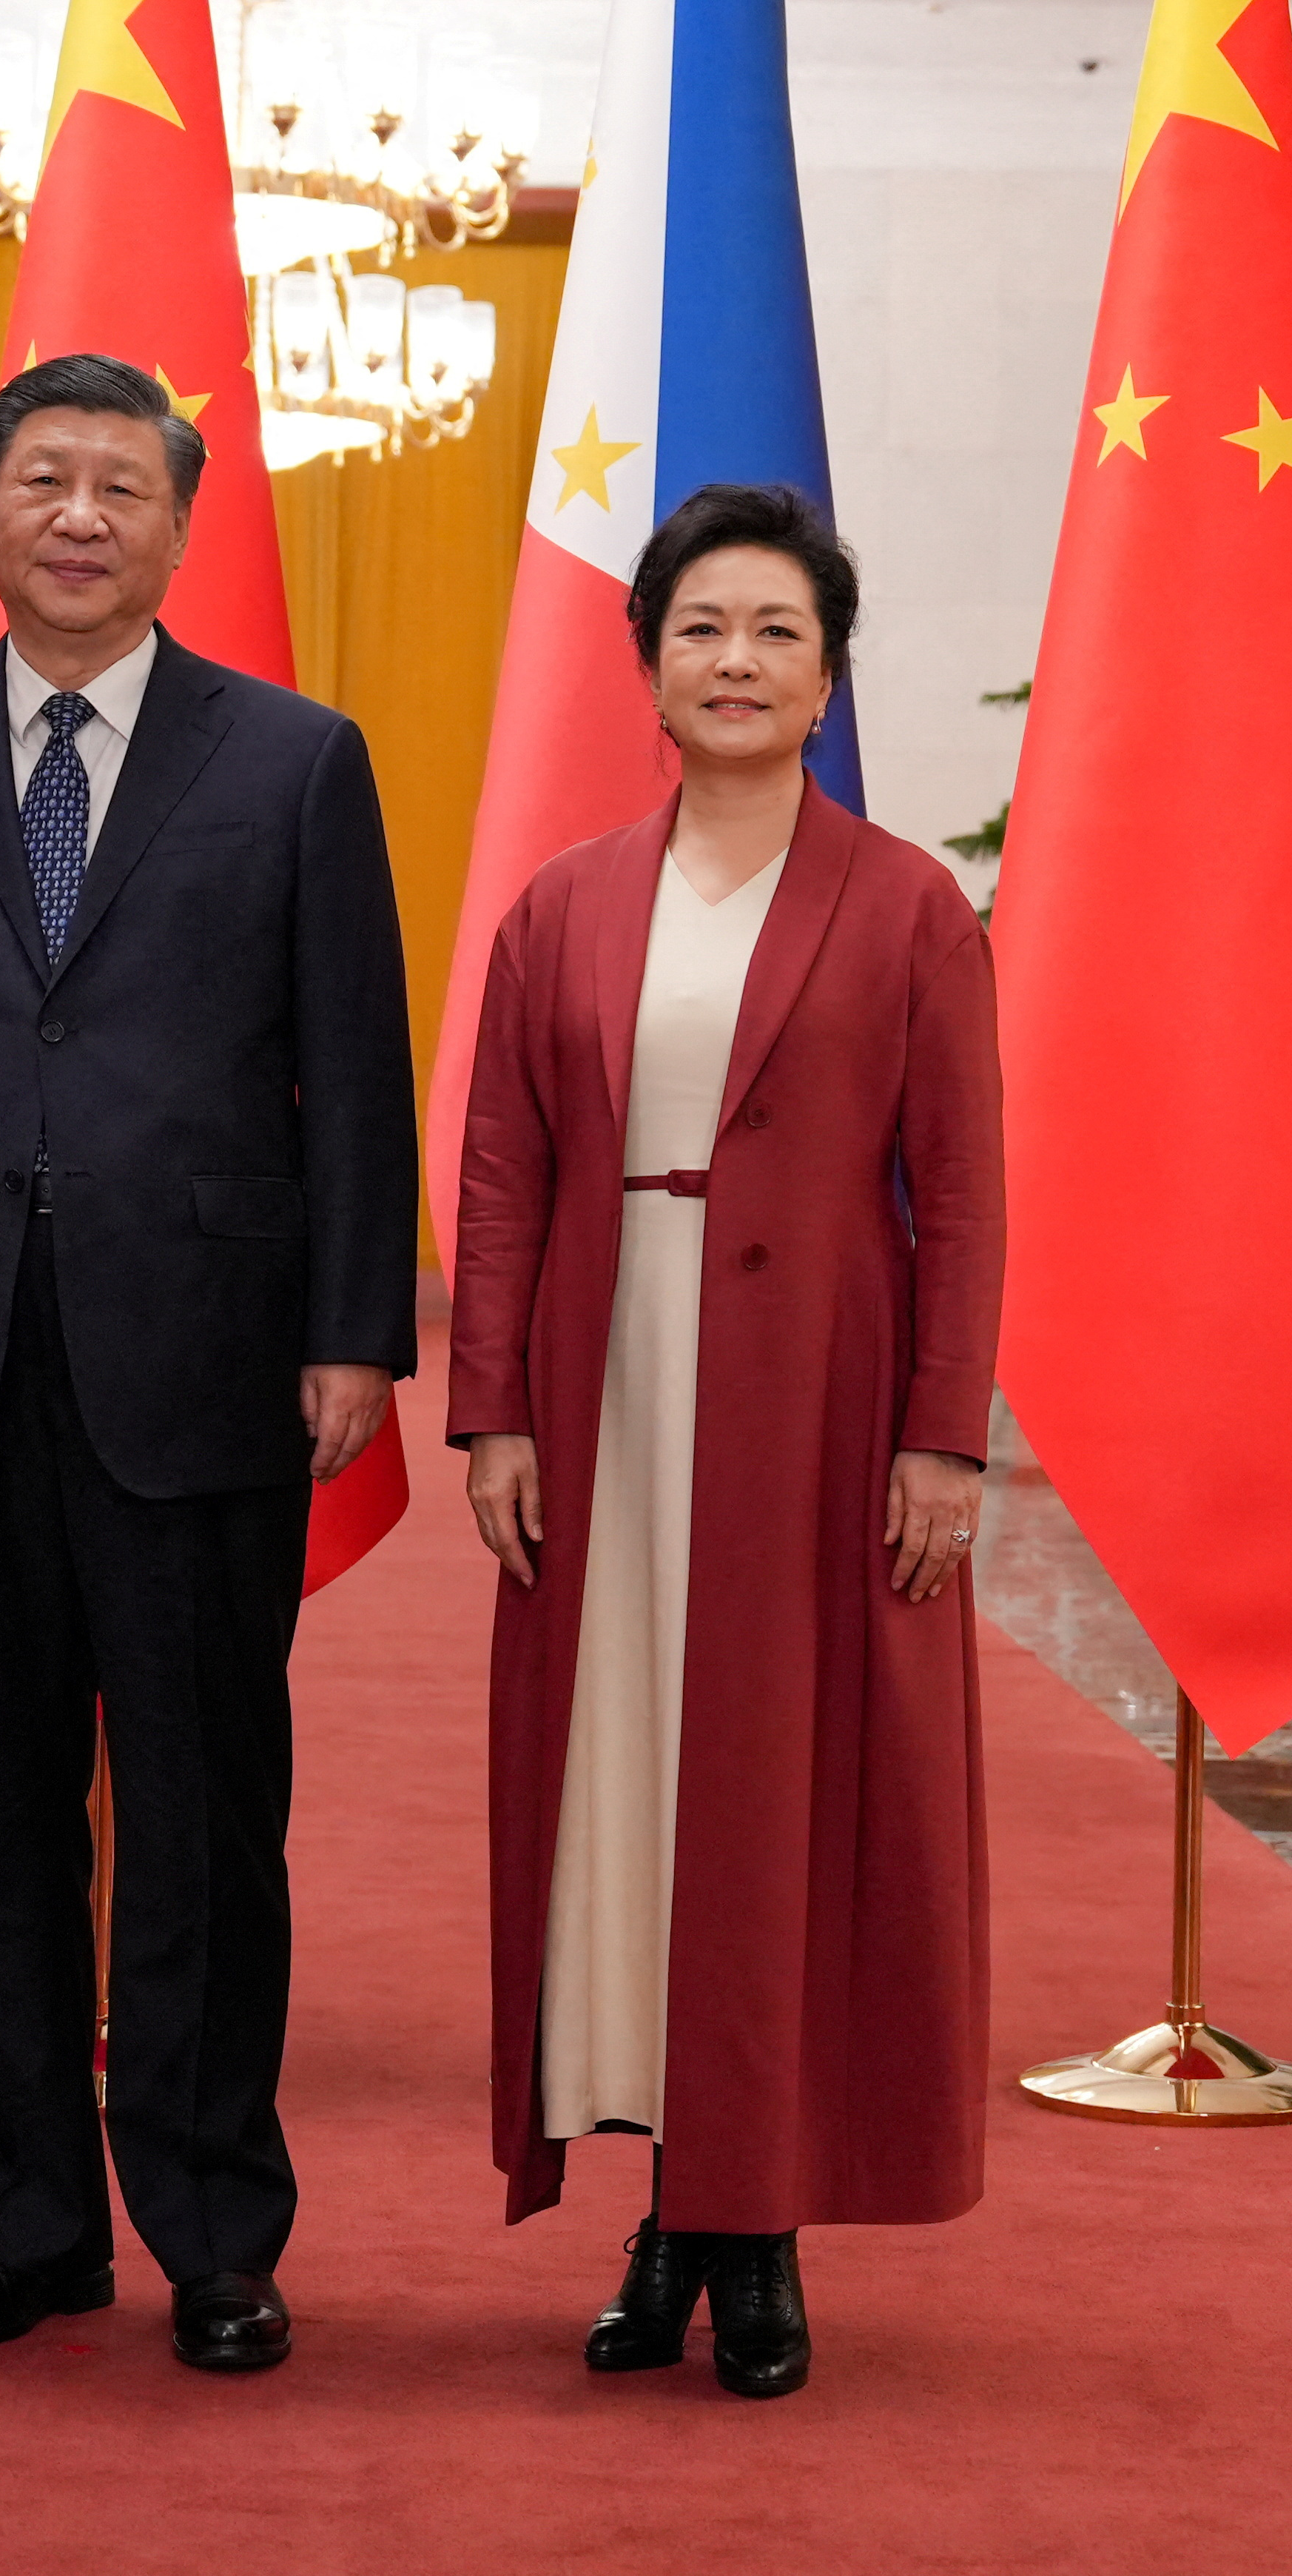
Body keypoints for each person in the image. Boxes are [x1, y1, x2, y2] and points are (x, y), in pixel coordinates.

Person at [0, 349, 416, 2375]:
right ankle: (26, 2229)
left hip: (209, 1355)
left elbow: (356, 1070)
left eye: (115, 486)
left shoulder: (293, 757)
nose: (74, 515)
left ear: (175, 523)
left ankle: (216, 2229)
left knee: (208, 1810)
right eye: (39, 480)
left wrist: (350, 1333)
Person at [446, 481, 1004, 2400]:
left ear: (825, 670)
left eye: (774, 630)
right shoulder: (563, 903)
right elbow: (504, 1173)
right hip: (604, 1396)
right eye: (700, 627)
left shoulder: (907, 902)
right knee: (625, 1788)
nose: (736, 661)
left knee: (779, 1798)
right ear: (647, 663)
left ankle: (747, 2236)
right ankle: (662, 2205)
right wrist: (492, 1410)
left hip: (820, 1407)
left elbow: (964, 1191)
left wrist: (942, 1439)